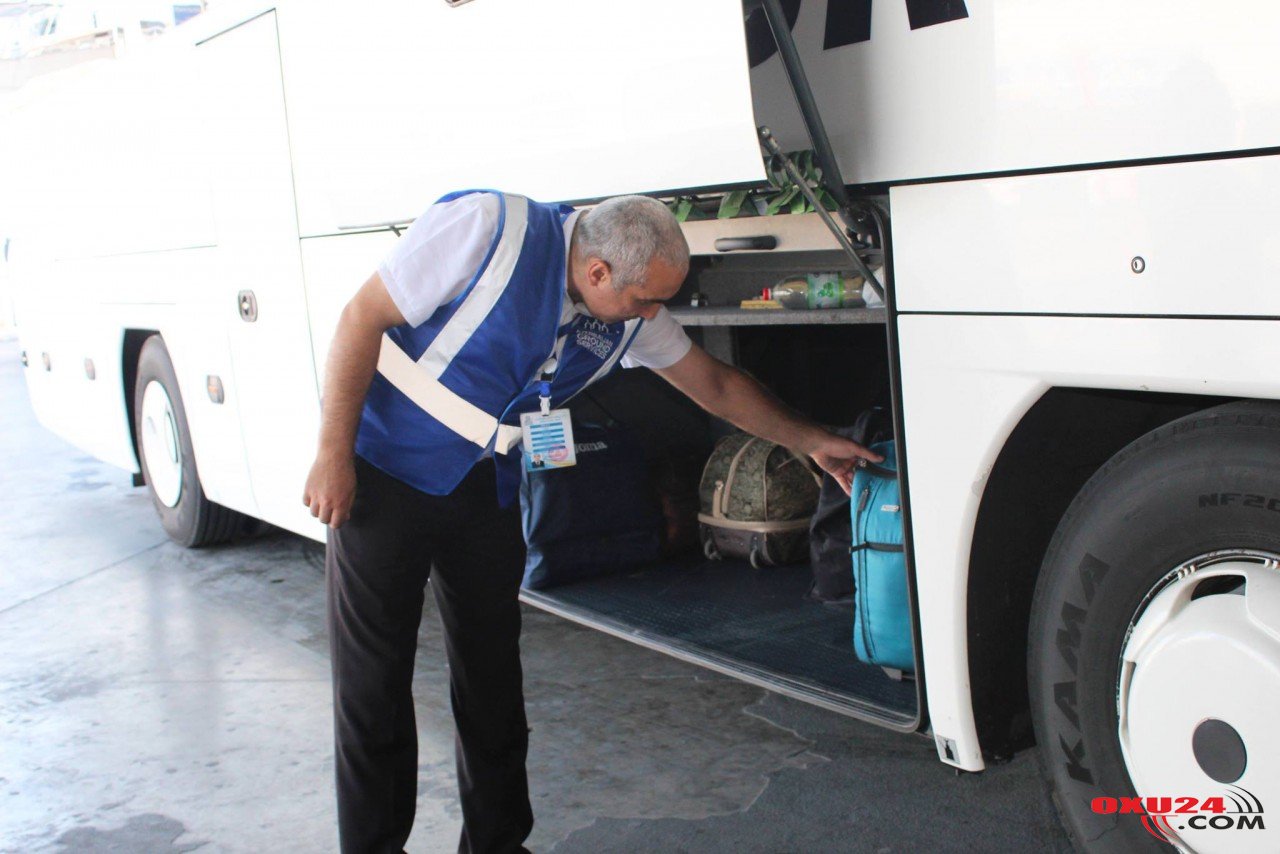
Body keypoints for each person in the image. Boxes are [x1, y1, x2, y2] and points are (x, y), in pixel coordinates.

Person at [303, 190, 880, 854]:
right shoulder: (486, 228)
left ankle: (497, 844)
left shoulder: (629, 311)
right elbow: (360, 318)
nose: (652, 315)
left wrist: (811, 439)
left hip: (484, 486)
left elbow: (713, 384)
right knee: (373, 687)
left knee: (492, 678)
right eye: (644, 301)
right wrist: (331, 454)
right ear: (598, 272)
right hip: (383, 474)